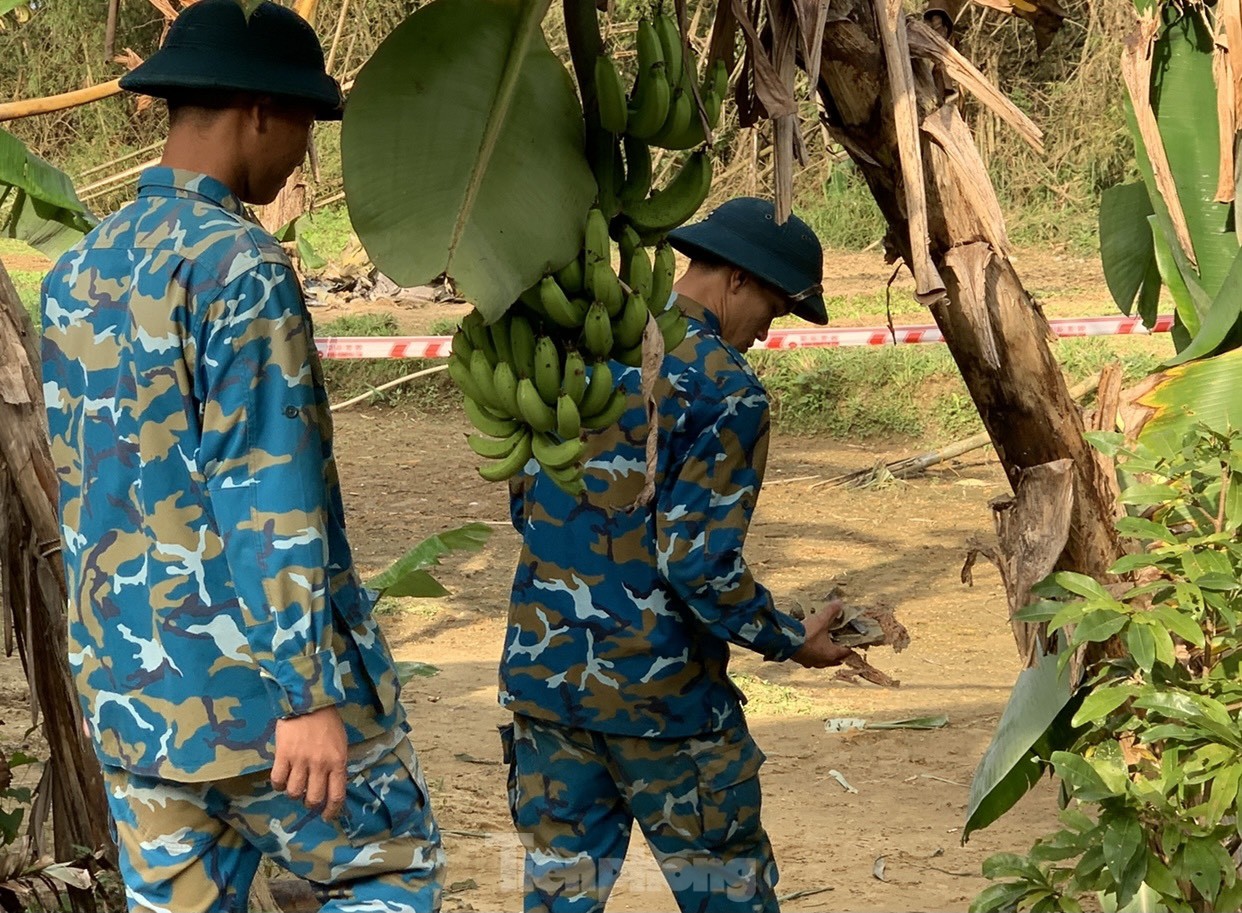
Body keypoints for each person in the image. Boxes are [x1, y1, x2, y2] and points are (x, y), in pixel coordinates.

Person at [40, 2, 444, 910]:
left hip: (136, 705)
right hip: (261, 704)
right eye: (305, 124)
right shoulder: (242, 267)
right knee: (388, 871)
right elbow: (269, 492)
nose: (303, 153)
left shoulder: (76, 272)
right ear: (260, 112)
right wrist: (307, 695)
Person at [500, 197, 855, 913]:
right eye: (774, 309)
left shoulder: (576, 348)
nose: (767, 331)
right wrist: (790, 638)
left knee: (559, 899)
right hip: (664, 706)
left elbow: (526, 505)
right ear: (738, 279)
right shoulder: (727, 389)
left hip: (549, 688)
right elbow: (698, 565)